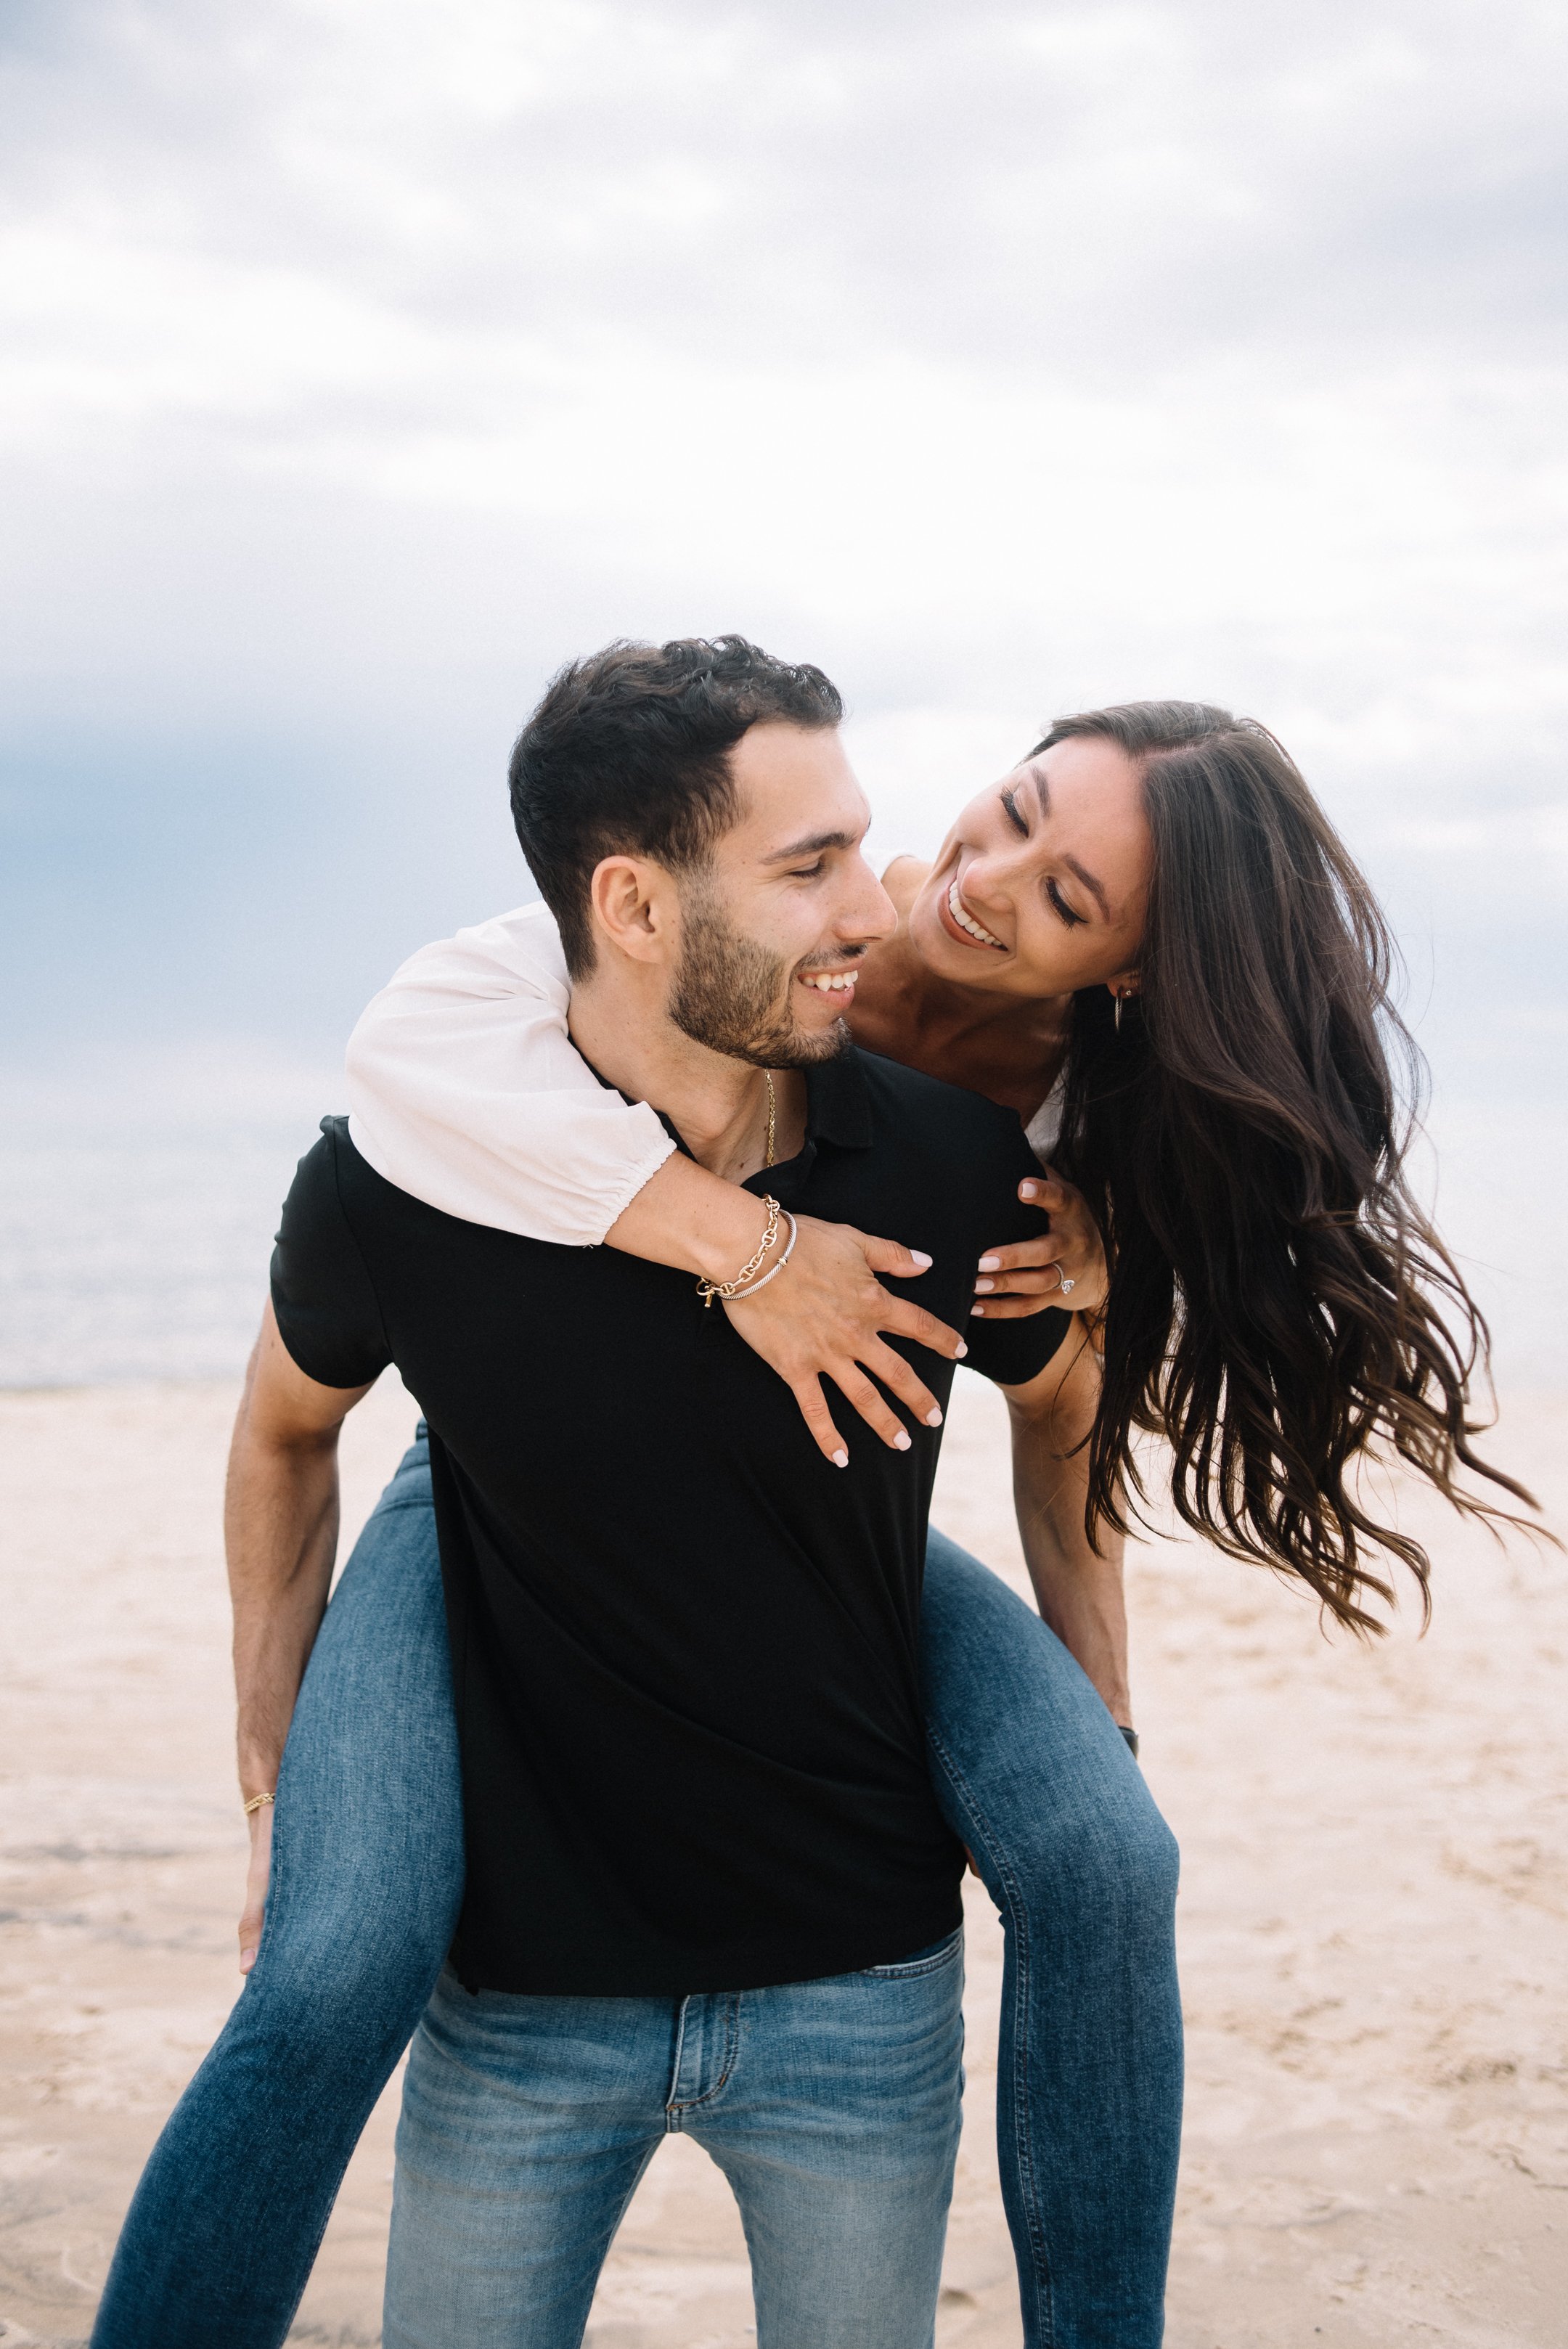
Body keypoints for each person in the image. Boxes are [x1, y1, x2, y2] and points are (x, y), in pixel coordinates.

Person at [92, 642, 1524, 2348]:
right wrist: (749, 1244)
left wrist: (1097, 1673)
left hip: (841, 1498)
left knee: (1103, 1850)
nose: (970, 886)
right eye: (1004, 810)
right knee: (335, 1957)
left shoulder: (1054, 1121)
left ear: (1128, 974)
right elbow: (407, 1065)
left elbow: (1062, 1416)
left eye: (1063, 896)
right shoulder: (738, 927)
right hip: (510, 1454)